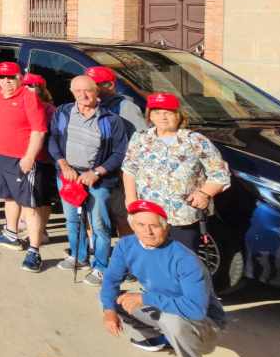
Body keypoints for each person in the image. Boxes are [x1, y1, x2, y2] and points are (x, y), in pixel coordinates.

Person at [100, 200, 225, 357]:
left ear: (165, 228)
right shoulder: (125, 245)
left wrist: (144, 297)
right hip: (165, 306)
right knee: (118, 300)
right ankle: (155, 337)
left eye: (154, 226)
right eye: (141, 225)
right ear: (132, 226)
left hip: (205, 324)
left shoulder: (185, 259)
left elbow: (195, 309)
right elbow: (110, 280)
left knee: (171, 321)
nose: (148, 231)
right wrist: (108, 310)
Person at [48, 75, 130, 285]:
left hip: (97, 180)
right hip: (68, 176)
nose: (83, 95)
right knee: (72, 219)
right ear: (72, 92)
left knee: (99, 225)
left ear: (97, 92)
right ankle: (78, 255)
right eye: (77, 91)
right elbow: (54, 140)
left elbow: (120, 153)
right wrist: (63, 165)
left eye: (88, 91)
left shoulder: (111, 120)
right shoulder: (63, 112)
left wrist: (97, 172)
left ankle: (101, 266)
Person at [122, 92, 230, 252]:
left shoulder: (195, 140)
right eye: (157, 112)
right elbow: (129, 170)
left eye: (168, 112)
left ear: (179, 115)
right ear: (149, 115)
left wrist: (205, 193)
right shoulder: (140, 138)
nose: (162, 117)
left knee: (182, 259)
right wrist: (131, 201)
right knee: (152, 258)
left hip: (183, 216)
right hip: (148, 215)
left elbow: (220, 173)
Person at [0, 61, 51, 272]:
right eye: (1, 77)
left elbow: (39, 130)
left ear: (19, 77)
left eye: (10, 77)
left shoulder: (29, 97)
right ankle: (11, 234)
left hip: (20, 159)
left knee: (29, 206)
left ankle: (34, 251)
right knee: (9, 197)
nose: (6, 81)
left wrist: (30, 156)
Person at [87, 66, 147, 135]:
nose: (87, 88)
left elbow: (142, 137)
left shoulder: (125, 107)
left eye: (93, 84)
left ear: (110, 85)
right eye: (86, 84)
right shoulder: (90, 105)